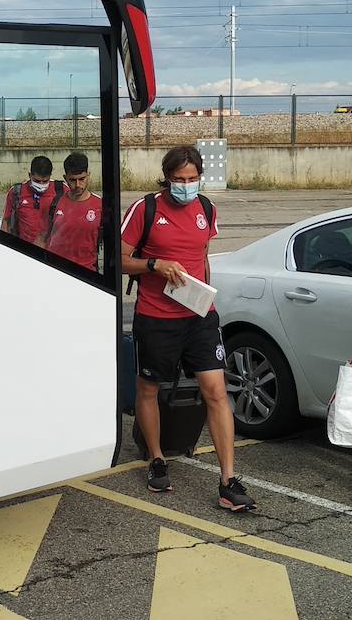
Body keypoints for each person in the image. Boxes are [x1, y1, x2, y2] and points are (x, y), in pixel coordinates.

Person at [120, 145, 256, 512]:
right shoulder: (145, 209)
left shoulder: (207, 208)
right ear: (167, 178)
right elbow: (119, 259)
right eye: (179, 180)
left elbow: (203, 257)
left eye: (192, 178)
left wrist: (210, 302)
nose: (186, 185)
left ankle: (228, 480)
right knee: (148, 389)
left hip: (200, 317)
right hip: (156, 317)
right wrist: (153, 265)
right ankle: (157, 458)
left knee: (215, 391)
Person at [41, 152, 102, 271]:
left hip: (87, 273)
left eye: (82, 179)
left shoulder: (100, 205)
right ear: (65, 178)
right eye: (73, 180)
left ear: (88, 175)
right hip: (56, 271)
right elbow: (42, 237)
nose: (78, 185)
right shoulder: (54, 203)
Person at [0, 155, 63, 245]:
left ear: (50, 176)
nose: (41, 185)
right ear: (30, 175)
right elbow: (6, 222)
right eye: (37, 181)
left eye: (45, 181)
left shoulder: (61, 190)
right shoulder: (16, 192)